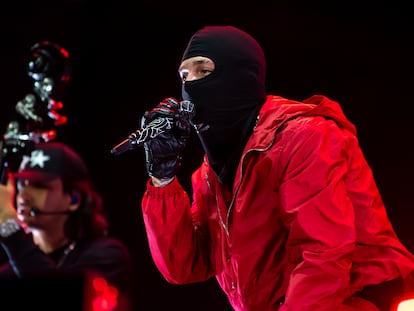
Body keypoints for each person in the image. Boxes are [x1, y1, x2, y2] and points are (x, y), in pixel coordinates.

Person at [138, 25, 414, 311]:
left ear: (241, 76)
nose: (190, 86)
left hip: (357, 300)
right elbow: (184, 266)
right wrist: (163, 177)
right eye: (184, 75)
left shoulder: (303, 138)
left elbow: (323, 253)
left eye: (204, 71)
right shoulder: (210, 173)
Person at [0, 141, 133, 311]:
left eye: (38, 186)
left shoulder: (107, 257)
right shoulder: (8, 272)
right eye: (21, 184)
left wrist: (9, 226)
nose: (23, 196)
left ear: (73, 199)